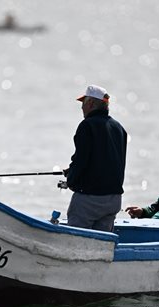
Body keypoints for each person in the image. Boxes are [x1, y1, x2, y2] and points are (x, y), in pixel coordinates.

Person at [64, 85, 128, 232]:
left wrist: (71, 180)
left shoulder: (87, 126)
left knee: (77, 242)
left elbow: (81, 160)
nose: (81, 108)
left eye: (83, 103)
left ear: (91, 104)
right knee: (102, 243)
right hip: (114, 199)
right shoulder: (118, 128)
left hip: (90, 200)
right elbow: (106, 160)